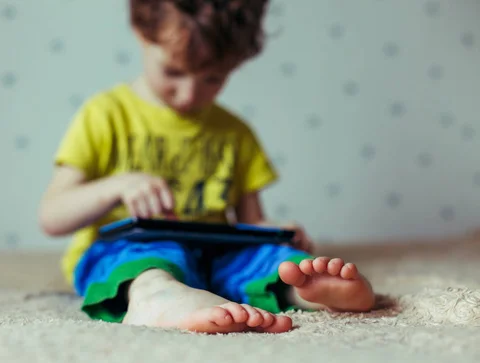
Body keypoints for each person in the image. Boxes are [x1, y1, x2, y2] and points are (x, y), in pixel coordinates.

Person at [39, 0, 375, 334]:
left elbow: (250, 222)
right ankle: (155, 296)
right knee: (147, 263)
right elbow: (52, 217)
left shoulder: (236, 132)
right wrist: (117, 186)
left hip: (216, 252)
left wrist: (278, 232)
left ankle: (304, 289)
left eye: (212, 79)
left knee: (264, 257)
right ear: (143, 33)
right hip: (129, 248)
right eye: (173, 72)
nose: (188, 95)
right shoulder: (104, 115)